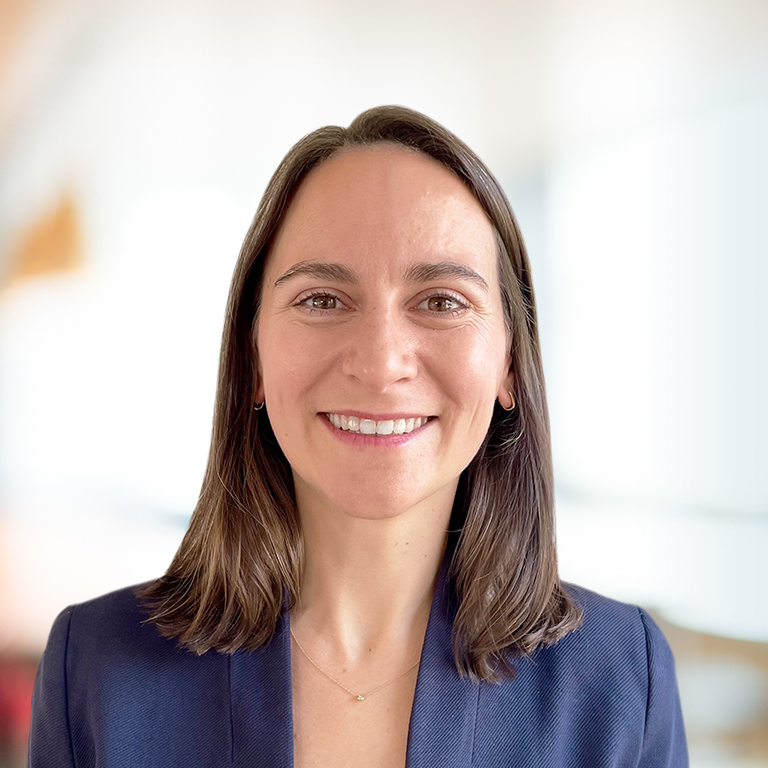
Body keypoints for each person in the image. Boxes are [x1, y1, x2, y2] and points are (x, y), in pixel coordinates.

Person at [28, 106, 688, 767]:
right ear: (253, 358)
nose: (379, 363)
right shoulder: (95, 672)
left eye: (441, 302)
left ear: (509, 364)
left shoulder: (622, 678)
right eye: (321, 300)